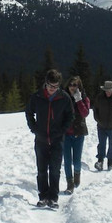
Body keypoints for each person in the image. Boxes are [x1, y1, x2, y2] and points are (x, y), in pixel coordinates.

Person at [25, 69, 74, 208]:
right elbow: (29, 112)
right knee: (41, 170)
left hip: (57, 139)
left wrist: (62, 131)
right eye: (50, 86)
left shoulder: (64, 98)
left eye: (56, 86)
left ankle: (53, 198)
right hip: (41, 139)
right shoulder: (37, 96)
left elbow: (70, 116)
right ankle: (43, 196)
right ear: (45, 83)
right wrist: (34, 129)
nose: (53, 89)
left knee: (55, 169)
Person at [62, 76, 90, 193]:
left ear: (79, 86)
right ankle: (70, 183)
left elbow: (85, 113)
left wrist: (78, 100)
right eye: (71, 84)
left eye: (75, 85)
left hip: (79, 133)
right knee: (67, 160)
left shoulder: (84, 98)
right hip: (66, 134)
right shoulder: (63, 98)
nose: (72, 87)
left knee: (76, 161)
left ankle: (77, 173)